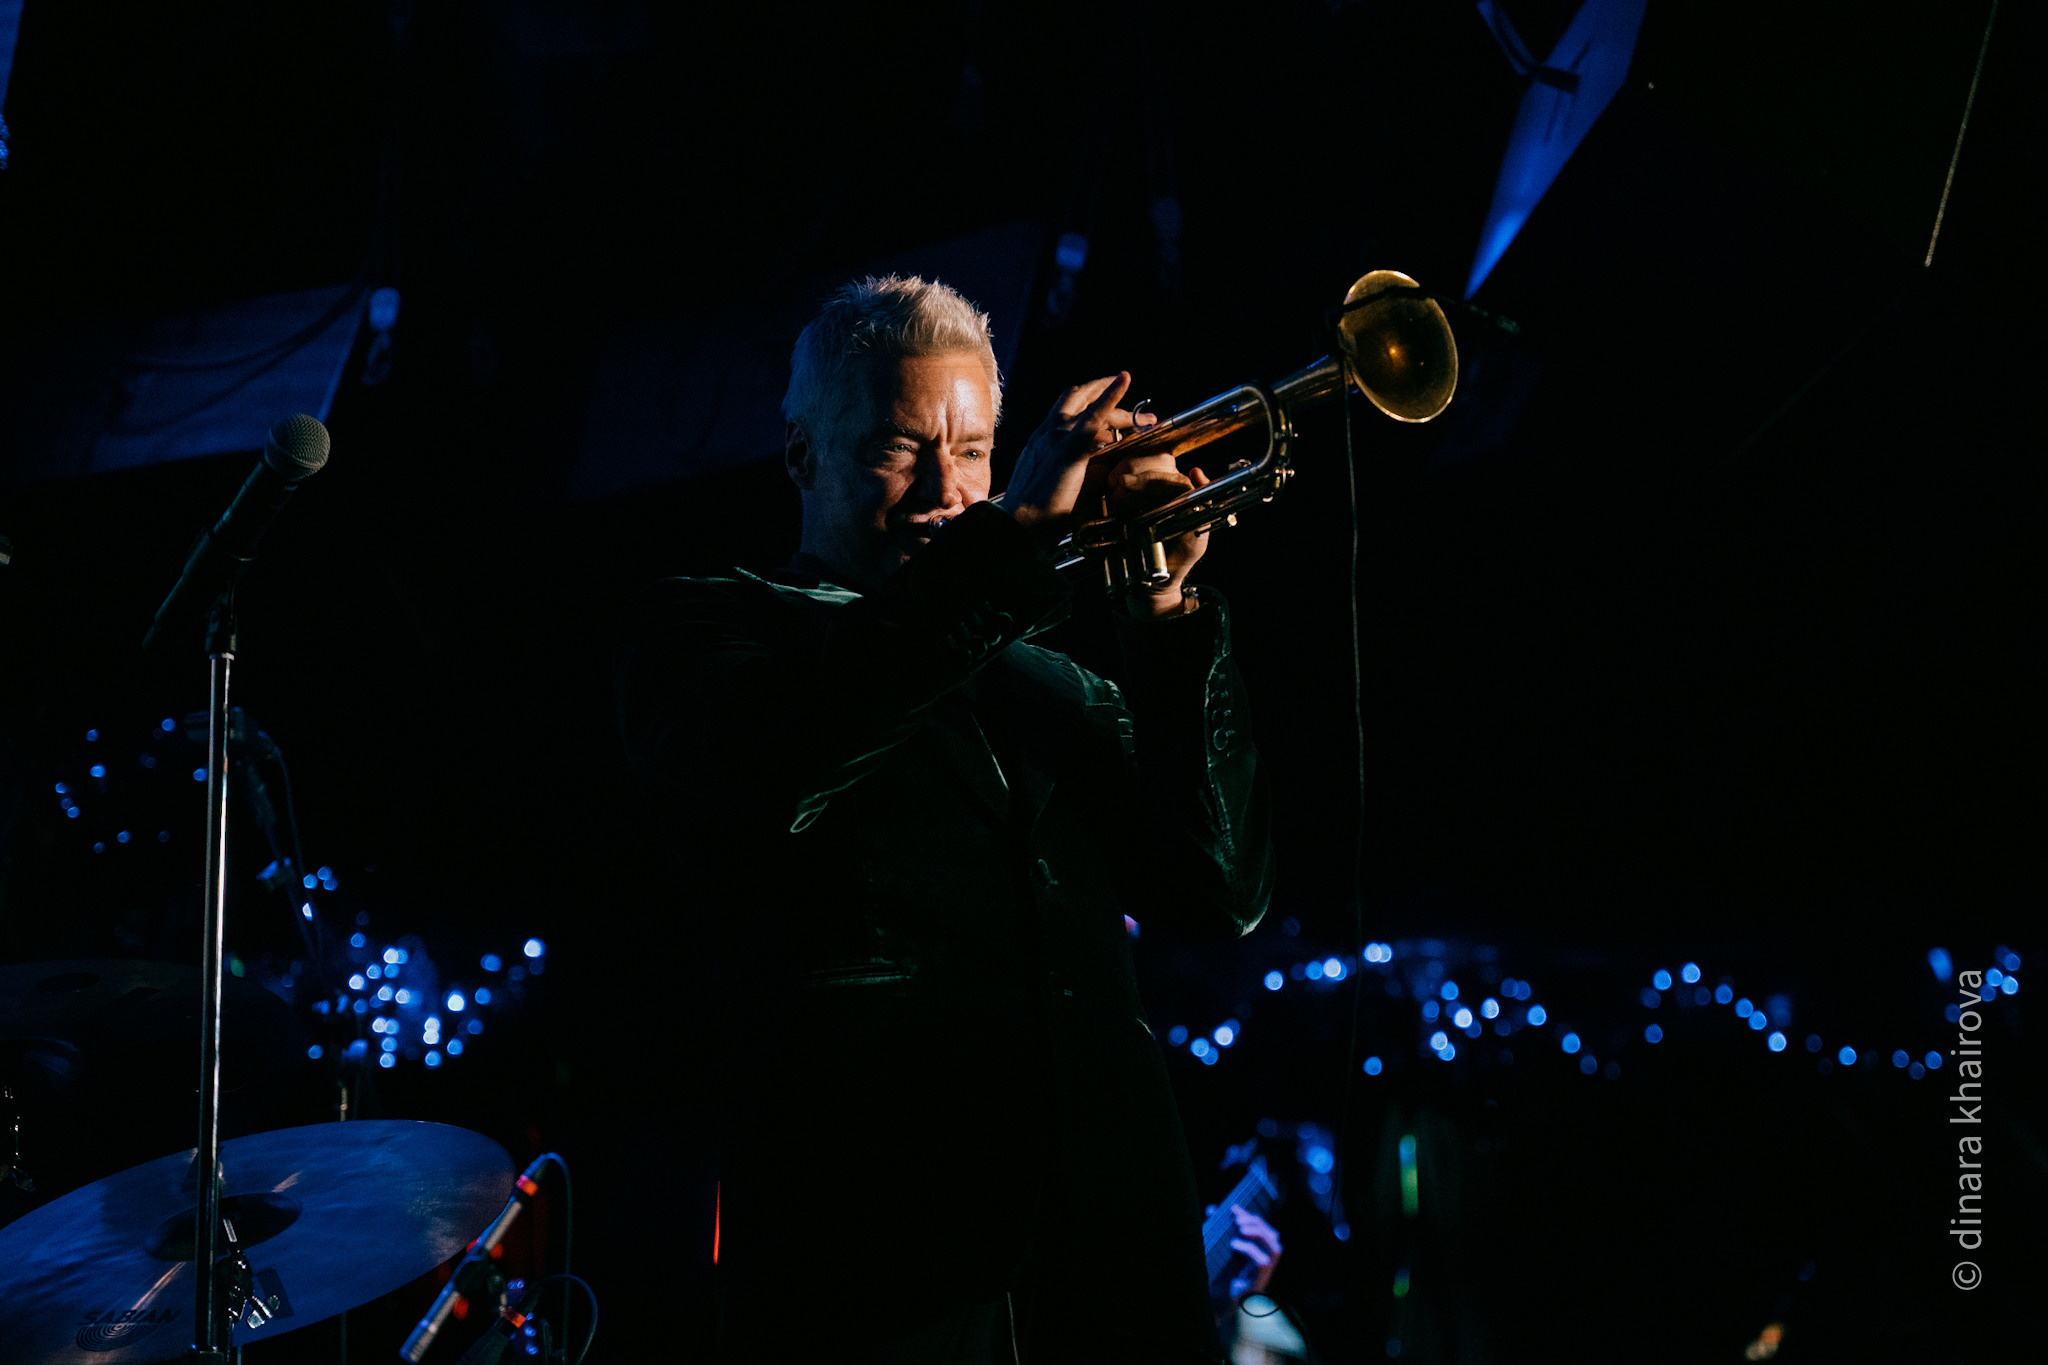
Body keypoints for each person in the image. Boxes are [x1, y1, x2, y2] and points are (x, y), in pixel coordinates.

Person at [617, 276, 1275, 1363]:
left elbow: (1214, 894)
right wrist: (1011, 533)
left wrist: (1162, 612)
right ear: (800, 455)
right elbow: (776, 776)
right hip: (879, 1280)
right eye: (896, 447)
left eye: (972, 452)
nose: (945, 489)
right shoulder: (712, 630)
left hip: (1109, 1274)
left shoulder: (1049, 684)